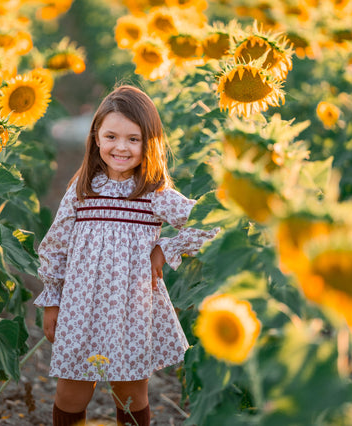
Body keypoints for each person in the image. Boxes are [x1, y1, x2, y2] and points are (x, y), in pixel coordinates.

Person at [34, 85, 219, 426]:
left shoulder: (153, 193)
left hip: (132, 310)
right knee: (70, 395)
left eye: (134, 139)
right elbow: (56, 246)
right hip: (81, 307)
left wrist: (166, 248)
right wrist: (52, 302)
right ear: (96, 138)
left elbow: (211, 222)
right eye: (111, 136)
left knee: (131, 395)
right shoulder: (83, 190)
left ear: (150, 143)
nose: (121, 147)